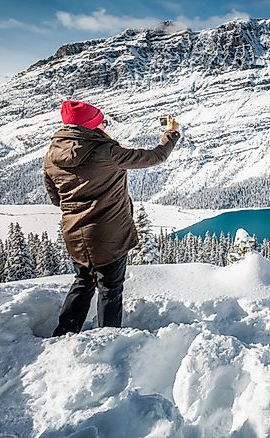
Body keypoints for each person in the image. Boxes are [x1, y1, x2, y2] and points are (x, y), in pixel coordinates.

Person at [44, 100, 180, 336]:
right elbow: (155, 156)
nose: (104, 126)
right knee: (110, 288)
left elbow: (56, 199)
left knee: (83, 281)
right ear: (91, 126)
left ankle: (64, 333)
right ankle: (108, 339)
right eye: (100, 122)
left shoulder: (51, 156)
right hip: (108, 234)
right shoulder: (106, 152)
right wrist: (171, 133)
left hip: (75, 233)